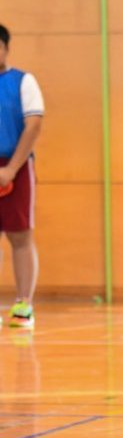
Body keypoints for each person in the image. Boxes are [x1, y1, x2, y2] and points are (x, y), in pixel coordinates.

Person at [0, 24, 43, 329]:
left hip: (16, 165)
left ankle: (24, 305)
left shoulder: (23, 81)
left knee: (20, 236)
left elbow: (34, 125)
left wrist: (11, 169)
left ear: (5, 48)